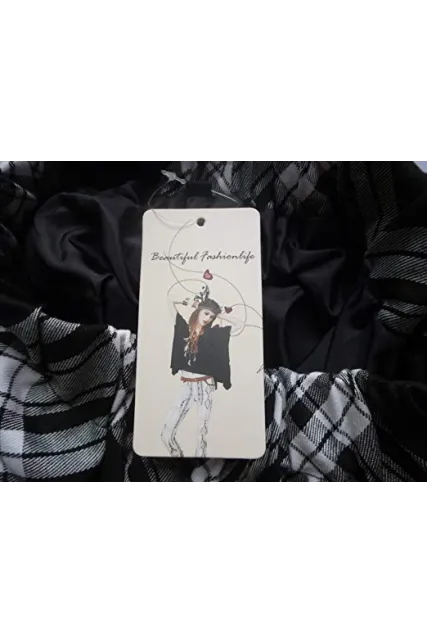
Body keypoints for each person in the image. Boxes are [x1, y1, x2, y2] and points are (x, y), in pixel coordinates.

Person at [162, 295, 232, 458]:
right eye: (206, 313)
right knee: (166, 433)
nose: (208, 318)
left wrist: (220, 314)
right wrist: (191, 303)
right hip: (186, 382)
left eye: (212, 316)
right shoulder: (183, 328)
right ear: (198, 311)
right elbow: (170, 300)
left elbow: (239, 324)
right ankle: (177, 457)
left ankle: (198, 462)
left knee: (201, 432)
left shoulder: (214, 334)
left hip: (204, 384)